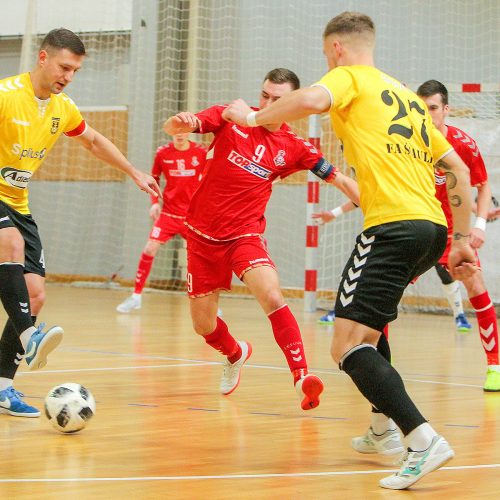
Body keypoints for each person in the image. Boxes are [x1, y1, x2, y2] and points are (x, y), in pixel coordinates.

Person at [222, 12, 477, 490]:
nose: (326, 64)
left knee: (346, 346)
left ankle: (421, 440)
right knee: (372, 327)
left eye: (324, 55)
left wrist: (252, 117)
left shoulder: (347, 78)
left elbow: (313, 99)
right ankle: (382, 429)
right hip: (433, 228)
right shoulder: (406, 96)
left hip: (392, 227)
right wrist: (461, 241)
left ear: (336, 48)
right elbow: (458, 169)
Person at [164, 68, 361, 411]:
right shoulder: (231, 115)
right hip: (200, 236)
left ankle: (302, 378)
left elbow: (339, 179)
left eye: (278, 99)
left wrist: (376, 202)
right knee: (203, 324)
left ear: (294, 105)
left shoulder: (295, 147)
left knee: (271, 293)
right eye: (265, 96)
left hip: (244, 235)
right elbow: (182, 125)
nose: (268, 103)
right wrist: (179, 122)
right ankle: (235, 353)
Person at [0, 28, 160, 418]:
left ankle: (3, 387)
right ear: (42, 58)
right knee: (11, 244)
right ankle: (29, 336)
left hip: (18, 203)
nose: (68, 76)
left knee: (35, 294)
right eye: (63, 67)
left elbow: (92, 140)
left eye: (74, 71)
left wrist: (133, 171)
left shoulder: (61, 108)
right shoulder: (6, 96)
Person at [417, 80, 500, 391]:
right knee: (389, 289)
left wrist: (478, 225)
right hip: (421, 227)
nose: (427, 115)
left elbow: (483, 186)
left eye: (433, 108)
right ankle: (384, 363)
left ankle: (495, 366)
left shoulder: (462, 144)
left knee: (475, 285)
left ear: (446, 109)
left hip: (456, 233)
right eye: (421, 109)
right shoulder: (410, 144)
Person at [116, 133, 207, 313]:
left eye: (184, 130)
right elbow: (154, 179)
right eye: (176, 131)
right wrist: (154, 203)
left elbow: (209, 178)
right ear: (172, 132)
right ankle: (136, 297)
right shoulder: (163, 153)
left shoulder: (200, 152)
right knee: (150, 248)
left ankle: (208, 303)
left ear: (189, 132)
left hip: (192, 217)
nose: (180, 134)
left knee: (202, 257)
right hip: (169, 214)